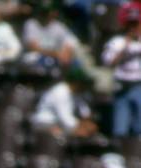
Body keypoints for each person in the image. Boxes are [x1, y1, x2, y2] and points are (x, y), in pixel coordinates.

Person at [102, 2, 141, 137]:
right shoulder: (117, 41)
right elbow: (109, 62)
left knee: (139, 126)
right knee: (120, 128)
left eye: (136, 24)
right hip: (122, 87)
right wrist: (126, 47)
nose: (133, 28)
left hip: (139, 86)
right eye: (131, 24)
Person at [31, 66, 98, 138]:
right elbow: (65, 119)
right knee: (63, 133)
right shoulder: (60, 92)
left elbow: (84, 111)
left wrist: (88, 123)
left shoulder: (76, 93)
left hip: (60, 124)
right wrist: (81, 127)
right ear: (76, 82)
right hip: (45, 122)